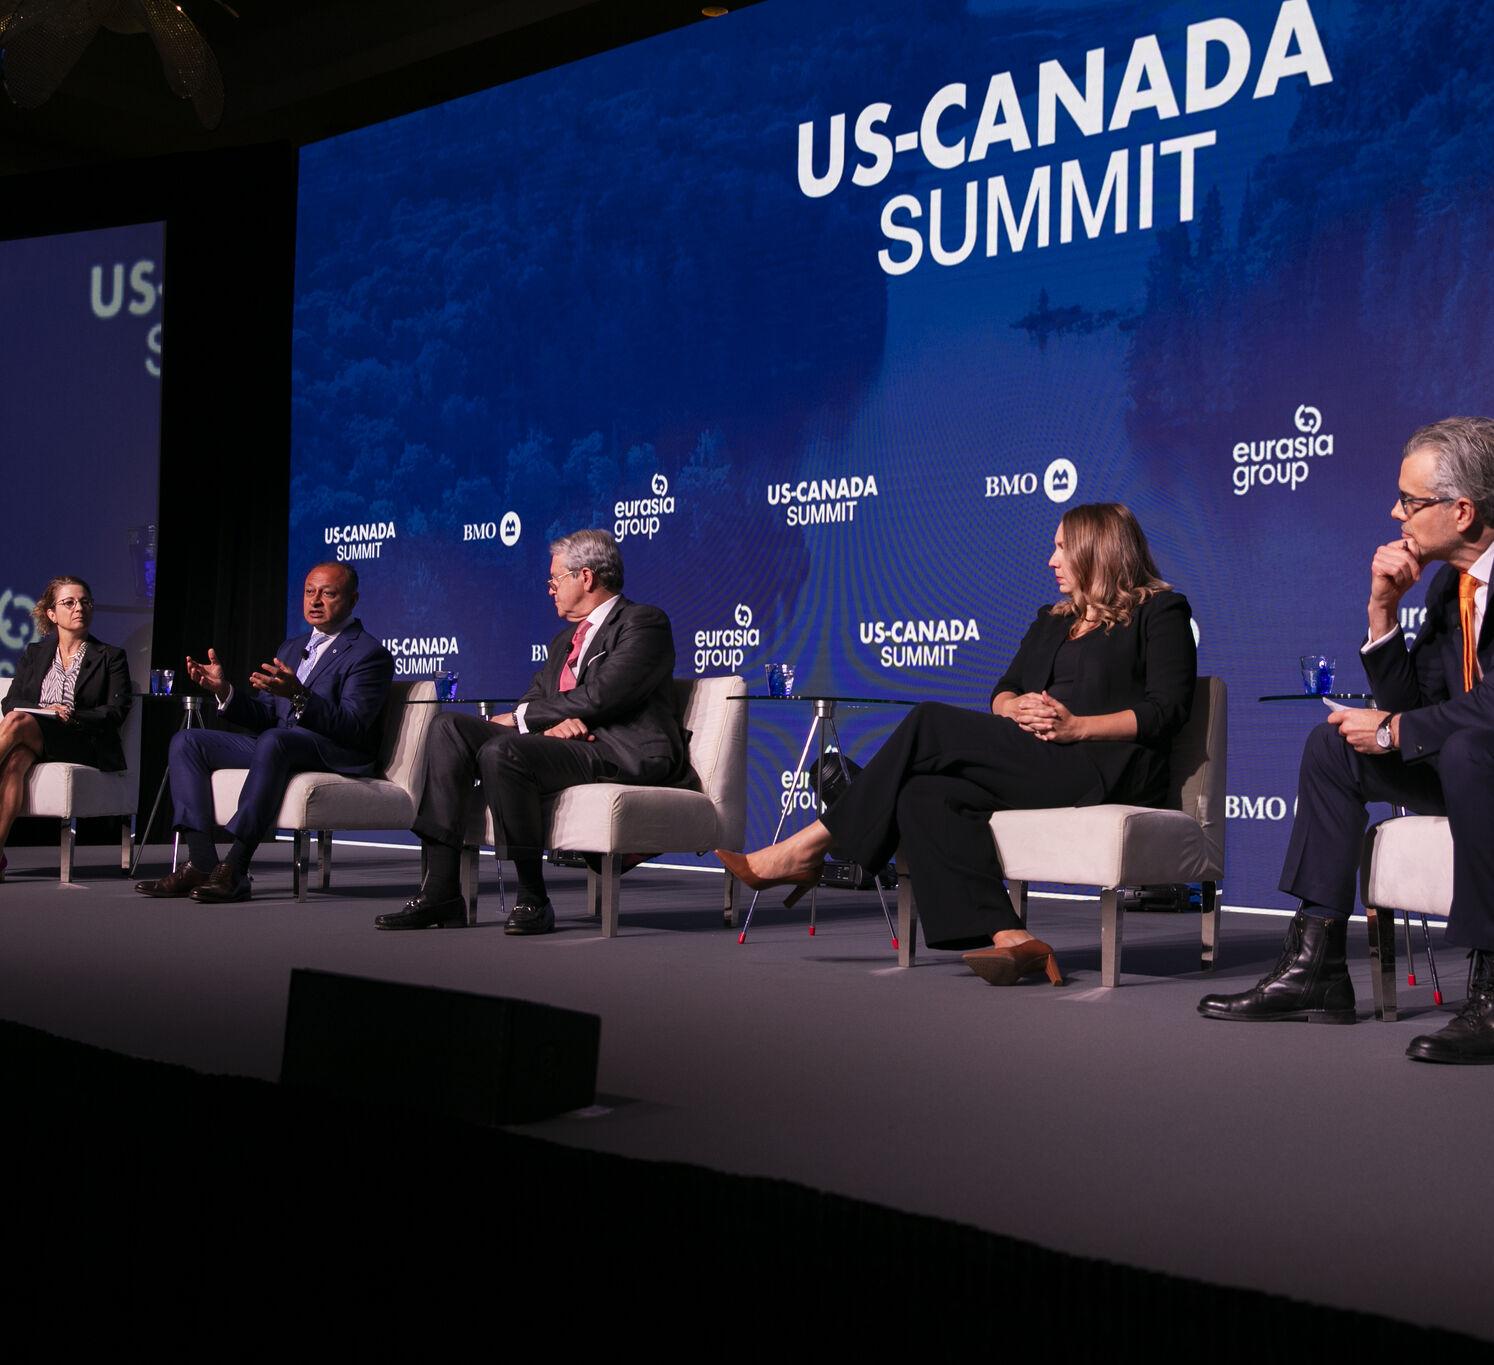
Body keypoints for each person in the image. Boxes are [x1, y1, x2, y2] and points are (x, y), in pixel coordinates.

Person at [717, 503, 1197, 985]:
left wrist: (1077, 727)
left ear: (1098, 550)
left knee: (929, 720)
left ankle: (809, 846)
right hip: (1035, 758)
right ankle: (1010, 936)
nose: (1051, 561)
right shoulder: (1051, 620)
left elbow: (1167, 710)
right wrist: (1012, 707)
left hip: (1103, 766)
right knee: (923, 793)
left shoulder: (1160, 612)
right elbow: (1002, 689)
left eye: (1061, 548)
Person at [1200, 416, 1494, 1064]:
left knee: (1468, 750)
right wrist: (1382, 611)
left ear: (1462, 510)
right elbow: (1417, 705)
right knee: (1333, 748)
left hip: (1483, 760)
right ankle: (1317, 965)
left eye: (1410, 502)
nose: (1395, 512)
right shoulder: (1452, 586)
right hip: (1469, 763)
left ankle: (1492, 990)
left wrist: (1396, 728)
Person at [376, 528, 688, 934]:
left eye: (555, 580)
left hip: (617, 749)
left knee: (503, 752)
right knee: (449, 727)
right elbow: (536, 699)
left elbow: (604, 695)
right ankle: (441, 892)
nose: (550, 590)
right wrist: (545, 722)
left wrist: (528, 721)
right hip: (565, 746)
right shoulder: (563, 642)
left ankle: (533, 897)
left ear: (586, 577)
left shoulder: (643, 623)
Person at [134, 562, 394, 903]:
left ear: (353, 599)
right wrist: (225, 690)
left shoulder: (368, 653)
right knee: (188, 741)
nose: (315, 601)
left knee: (275, 740)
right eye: (309, 592)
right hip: (281, 743)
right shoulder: (292, 646)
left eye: (328, 594)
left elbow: (353, 726)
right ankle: (200, 862)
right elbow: (267, 715)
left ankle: (236, 867)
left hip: (335, 751)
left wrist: (299, 695)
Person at [0, 576, 132, 880]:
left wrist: (71, 715)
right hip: (37, 734)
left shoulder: (110, 656)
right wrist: (44, 711)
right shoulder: (35, 654)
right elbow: (11, 701)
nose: (79, 608)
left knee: (17, 721)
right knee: (15, 762)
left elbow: (116, 712)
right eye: (69, 602)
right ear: (51, 613)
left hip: (82, 739)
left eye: (85, 602)